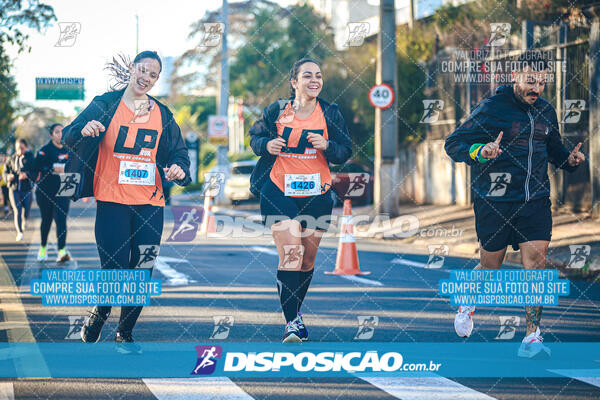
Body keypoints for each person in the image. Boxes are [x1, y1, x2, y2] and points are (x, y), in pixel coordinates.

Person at [444, 50, 585, 358]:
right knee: (491, 265)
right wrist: (482, 151)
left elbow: (556, 151)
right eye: (531, 80)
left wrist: (570, 161)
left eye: (543, 82)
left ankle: (532, 337)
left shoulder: (546, 111)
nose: (537, 88)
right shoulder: (493, 107)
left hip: (534, 201)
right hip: (494, 201)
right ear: (515, 77)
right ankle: (469, 299)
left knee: (535, 266)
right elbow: (453, 144)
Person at [61, 51, 191, 353]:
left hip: (150, 203)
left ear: (157, 79)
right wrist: (84, 130)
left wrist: (179, 169)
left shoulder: (163, 114)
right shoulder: (105, 104)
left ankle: (124, 333)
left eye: (153, 75)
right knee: (116, 268)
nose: (146, 77)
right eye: (142, 70)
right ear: (132, 69)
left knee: (142, 269)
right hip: (112, 201)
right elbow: (68, 135)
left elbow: (179, 154)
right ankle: (101, 311)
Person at [249, 58, 352, 343]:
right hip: (279, 189)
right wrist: (266, 145)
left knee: (307, 260)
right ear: (294, 82)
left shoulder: (330, 112)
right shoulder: (277, 110)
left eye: (318, 75)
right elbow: (255, 137)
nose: (314, 80)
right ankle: (291, 322)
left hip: (317, 193)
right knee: (292, 252)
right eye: (307, 76)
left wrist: (328, 146)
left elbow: (346, 150)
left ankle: (295, 313)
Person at [33, 123, 72, 262]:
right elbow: (35, 169)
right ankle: (43, 247)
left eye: (62, 132)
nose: (60, 134)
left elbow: (76, 168)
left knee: (61, 220)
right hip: (45, 191)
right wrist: (52, 168)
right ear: (51, 135)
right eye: (57, 132)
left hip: (64, 190)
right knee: (47, 219)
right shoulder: (44, 150)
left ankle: (62, 251)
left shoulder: (70, 150)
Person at [3, 139, 34, 241]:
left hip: (27, 188)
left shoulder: (30, 158)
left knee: (26, 209)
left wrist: (27, 175)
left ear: (26, 147)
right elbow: (5, 172)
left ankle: (26, 218)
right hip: (14, 188)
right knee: (17, 210)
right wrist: (8, 176)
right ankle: (19, 232)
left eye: (22, 148)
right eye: (17, 148)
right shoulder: (11, 158)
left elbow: (35, 172)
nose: (20, 150)